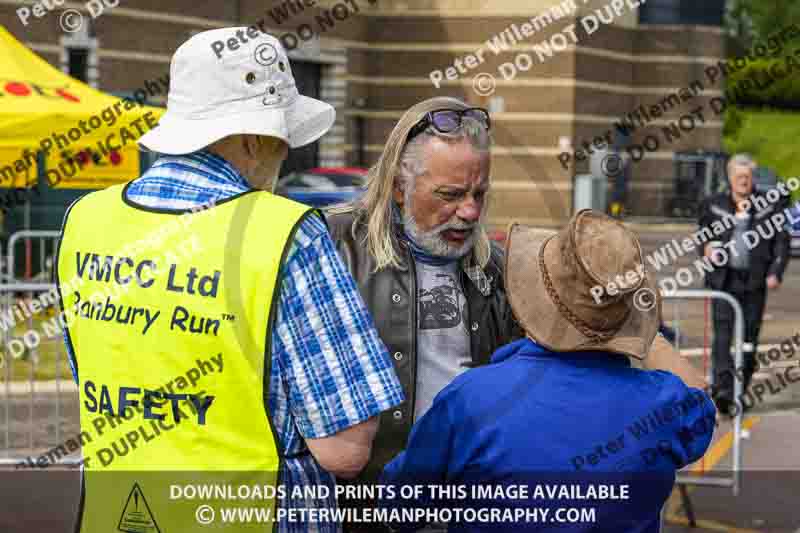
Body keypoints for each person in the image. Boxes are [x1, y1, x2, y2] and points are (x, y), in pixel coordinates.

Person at [55, 28, 403, 533]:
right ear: (251, 137)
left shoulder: (85, 220)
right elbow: (344, 449)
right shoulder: (287, 232)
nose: (286, 154)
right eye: (283, 137)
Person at [326, 97, 703, 530]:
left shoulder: (499, 272)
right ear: (398, 185)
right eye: (450, 194)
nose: (469, 211)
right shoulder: (330, 249)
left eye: (479, 193)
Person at [380, 210, 716, 533]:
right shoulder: (664, 404)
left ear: (533, 302)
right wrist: (638, 327)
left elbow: (400, 506)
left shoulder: (470, 400)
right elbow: (699, 395)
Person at [697, 153, 790, 416]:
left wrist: (776, 272)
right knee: (723, 340)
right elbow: (703, 237)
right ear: (729, 178)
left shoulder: (768, 206)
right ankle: (724, 393)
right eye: (738, 177)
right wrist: (706, 250)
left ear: (753, 179)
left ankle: (740, 389)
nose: (743, 182)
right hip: (723, 281)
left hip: (754, 282)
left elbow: (781, 242)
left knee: (749, 341)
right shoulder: (713, 205)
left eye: (747, 177)